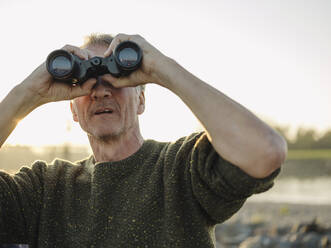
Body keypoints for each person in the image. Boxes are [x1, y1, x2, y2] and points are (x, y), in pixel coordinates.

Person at [0, 33, 287, 247]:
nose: (101, 92)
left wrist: (164, 69)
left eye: (115, 79)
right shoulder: (45, 188)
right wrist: (26, 94)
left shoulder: (180, 168)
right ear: (73, 110)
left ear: (142, 100)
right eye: (86, 83)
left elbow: (265, 150)